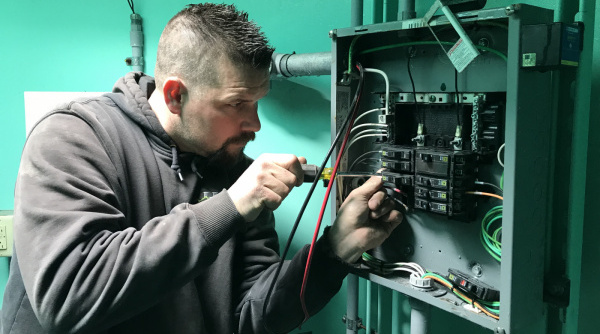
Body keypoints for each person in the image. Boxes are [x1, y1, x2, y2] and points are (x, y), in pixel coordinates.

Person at [1, 3, 402, 334]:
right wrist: (228, 209)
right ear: (175, 95)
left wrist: (335, 251)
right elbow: (68, 298)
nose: (256, 124)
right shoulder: (74, 137)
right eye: (236, 104)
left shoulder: (234, 175)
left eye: (258, 101)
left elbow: (251, 316)